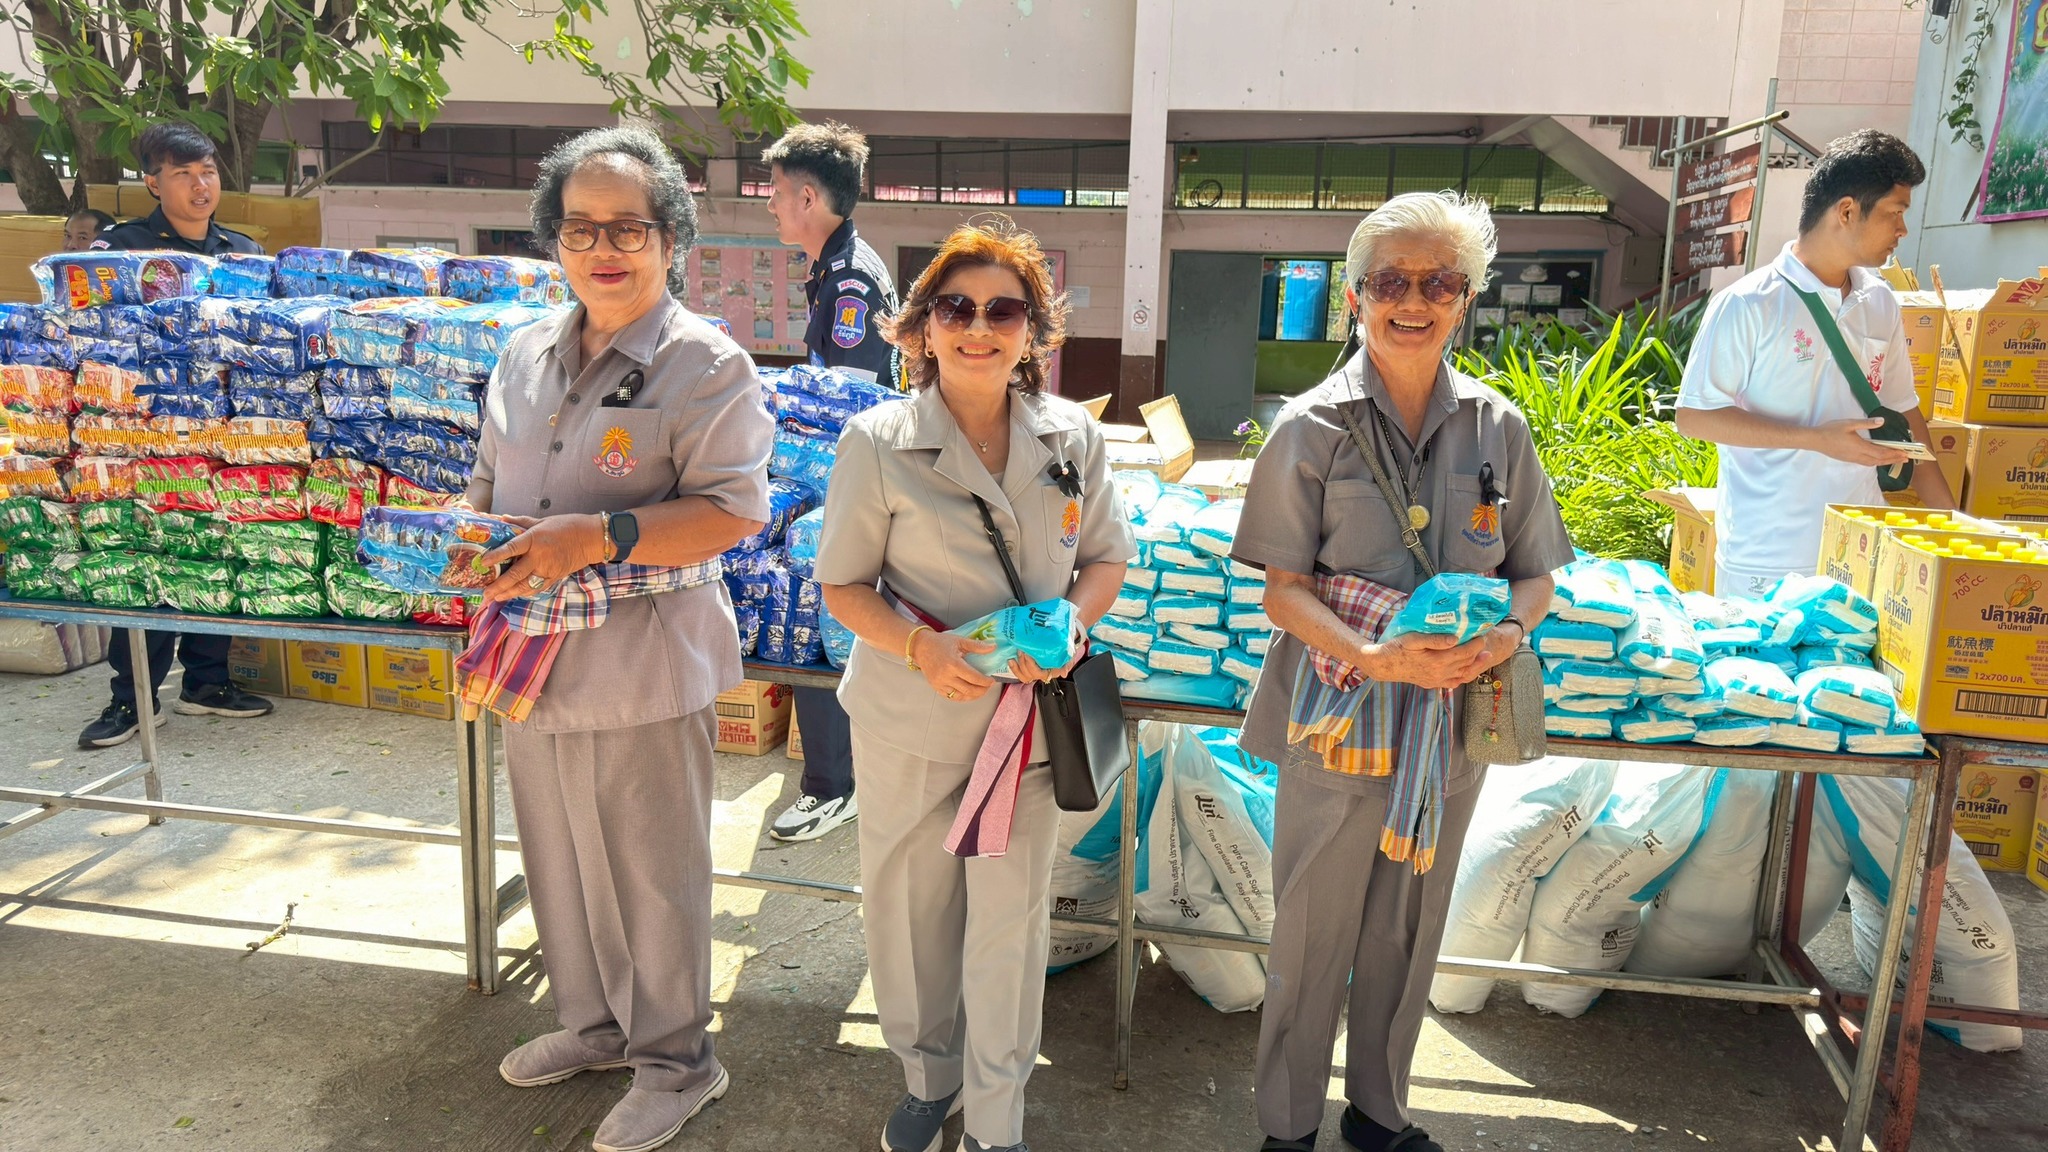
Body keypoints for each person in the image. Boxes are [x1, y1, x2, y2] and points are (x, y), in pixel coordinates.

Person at [1232, 192, 1574, 1152]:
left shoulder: (1499, 428)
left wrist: (1508, 636)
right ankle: (1288, 1127)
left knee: (1410, 927)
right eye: (1391, 282)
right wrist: (1374, 656)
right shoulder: (1311, 427)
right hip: (1339, 714)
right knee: (1312, 933)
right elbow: (1284, 593)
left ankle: (1380, 1115)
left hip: (1453, 721)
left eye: (1438, 283)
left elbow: (1536, 576)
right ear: (1356, 297)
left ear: (1465, 298)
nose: (1413, 302)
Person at [466, 125, 773, 1152]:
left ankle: (678, 1061)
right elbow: (488, 481)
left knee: (650, 870)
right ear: (553, 239)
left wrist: (598, 536)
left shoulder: (706, 365)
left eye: (628, 227)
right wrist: (461, 536)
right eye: (580, 227)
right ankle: (593, 1027)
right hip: (530, 659)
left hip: (643, 660)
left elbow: (733, 512)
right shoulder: (523, 353)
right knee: (556, 856)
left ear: (669, 239)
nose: (603, 248)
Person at [815, 217, 1132, 1152]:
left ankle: (998, 1118)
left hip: (1030, 727)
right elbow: (843, 586)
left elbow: (1105, 558)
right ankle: (929, 1080)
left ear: (1034, 329)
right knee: (912, 917)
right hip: (913, 722)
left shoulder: (1072, 435)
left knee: (1007, 928)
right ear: (922, 326)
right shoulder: (878, 441)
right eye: (956, 308)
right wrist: (923, 649)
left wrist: (1075, 624)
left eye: (1004, 310)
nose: (979, 328)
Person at [1675, 129, 1954, 598]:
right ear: (1846, 211)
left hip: (1860, 549)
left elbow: (1905, 412)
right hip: (1766, 559)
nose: (1903, 230)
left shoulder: (1880, 301)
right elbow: (1694, 417)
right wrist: (1814, 439)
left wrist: (1952, 522)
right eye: (1895, 212)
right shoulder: (1748, 303)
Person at [79, 122, 271, 750]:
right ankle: (132, 699)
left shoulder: (241, 253)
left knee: (217, 549)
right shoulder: (120, 251)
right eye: (183, 174)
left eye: (207, 171)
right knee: (152, 558)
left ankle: (207, 683)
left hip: (223, 434)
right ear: (153, 183)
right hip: (146, 437)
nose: (200, 184)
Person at [761, 120, 900, 843]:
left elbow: (847, 398)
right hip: (840, 473)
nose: (771, 205)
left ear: (808, 197)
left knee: (815, 619)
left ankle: (832, 786)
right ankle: (839, 777)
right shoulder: (835, 267)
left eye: (777, 192)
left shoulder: (850, 278)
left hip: (851, 479)